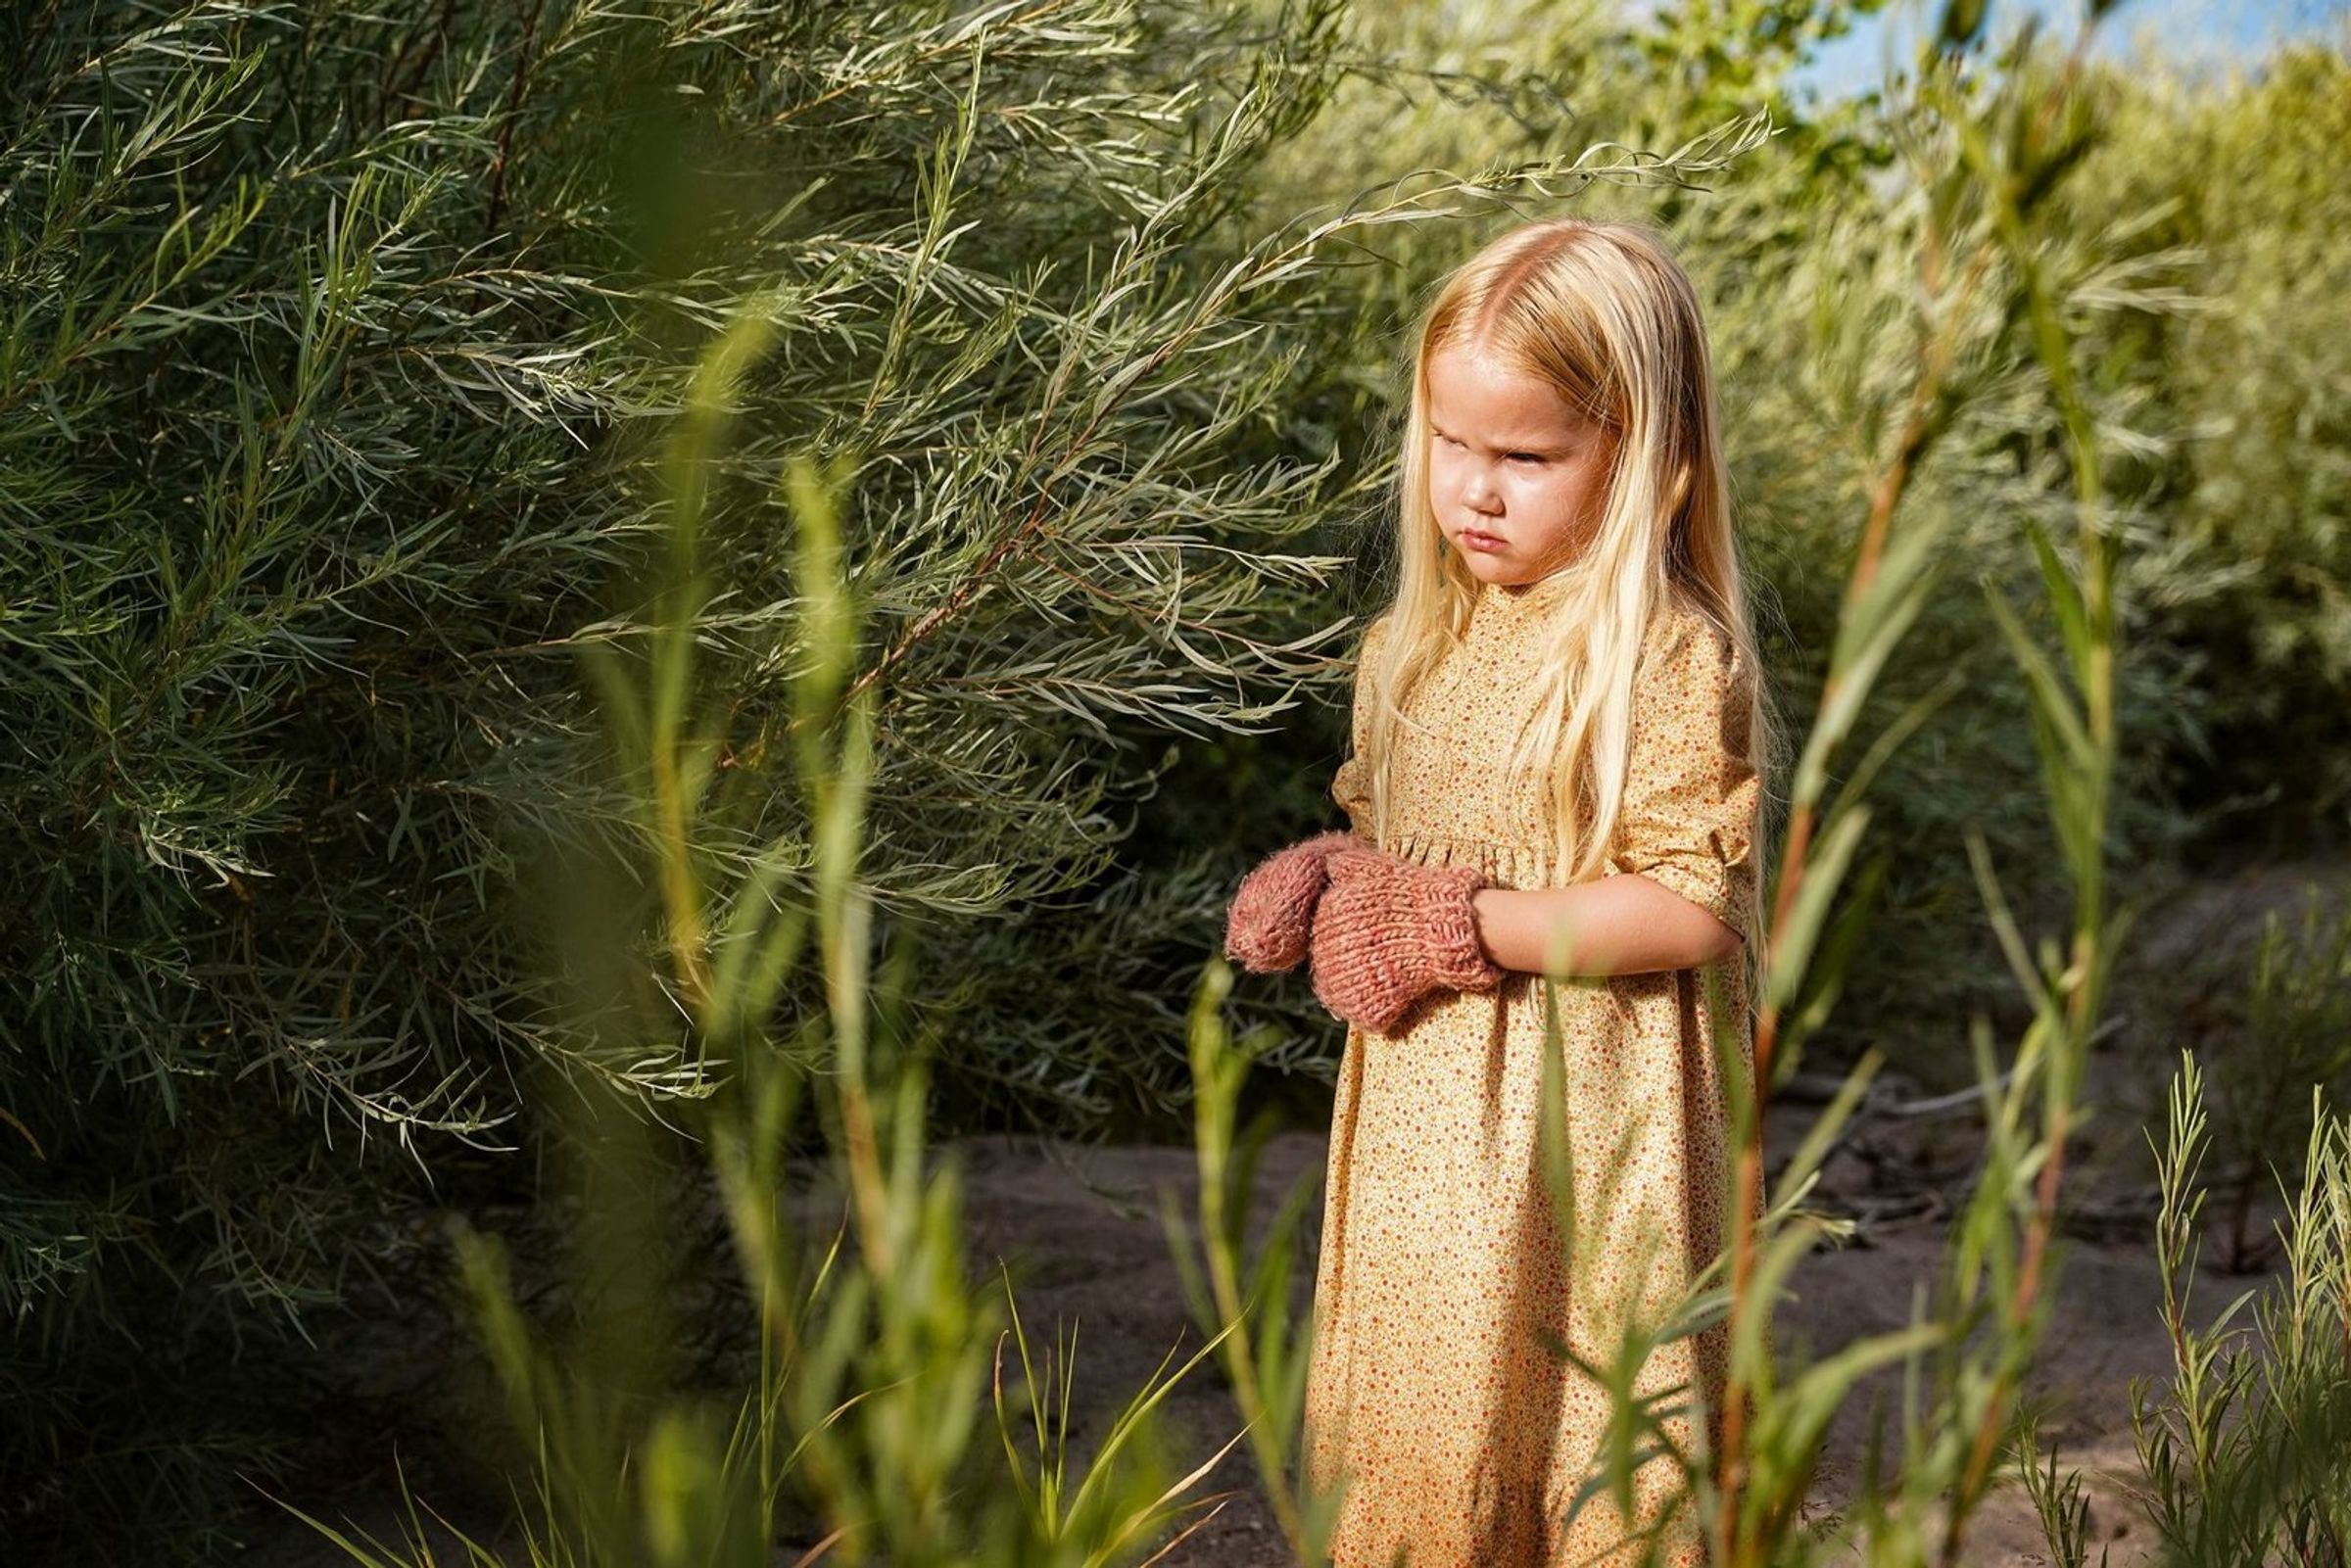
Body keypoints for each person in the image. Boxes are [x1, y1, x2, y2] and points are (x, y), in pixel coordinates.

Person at [1223, 215, 1777, 1566]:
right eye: (1448, 442)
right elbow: (1399, 840)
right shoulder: (1410, 647)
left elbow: (1690, 907)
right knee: (1428, 1431)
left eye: (1527, 457)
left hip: (1591, 1137)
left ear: (1647, 457)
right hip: (1424, 1143)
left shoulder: (1660, 658)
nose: (1474, 489)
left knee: (1580, 1435)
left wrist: (1456, 922)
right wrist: (1342, 872)